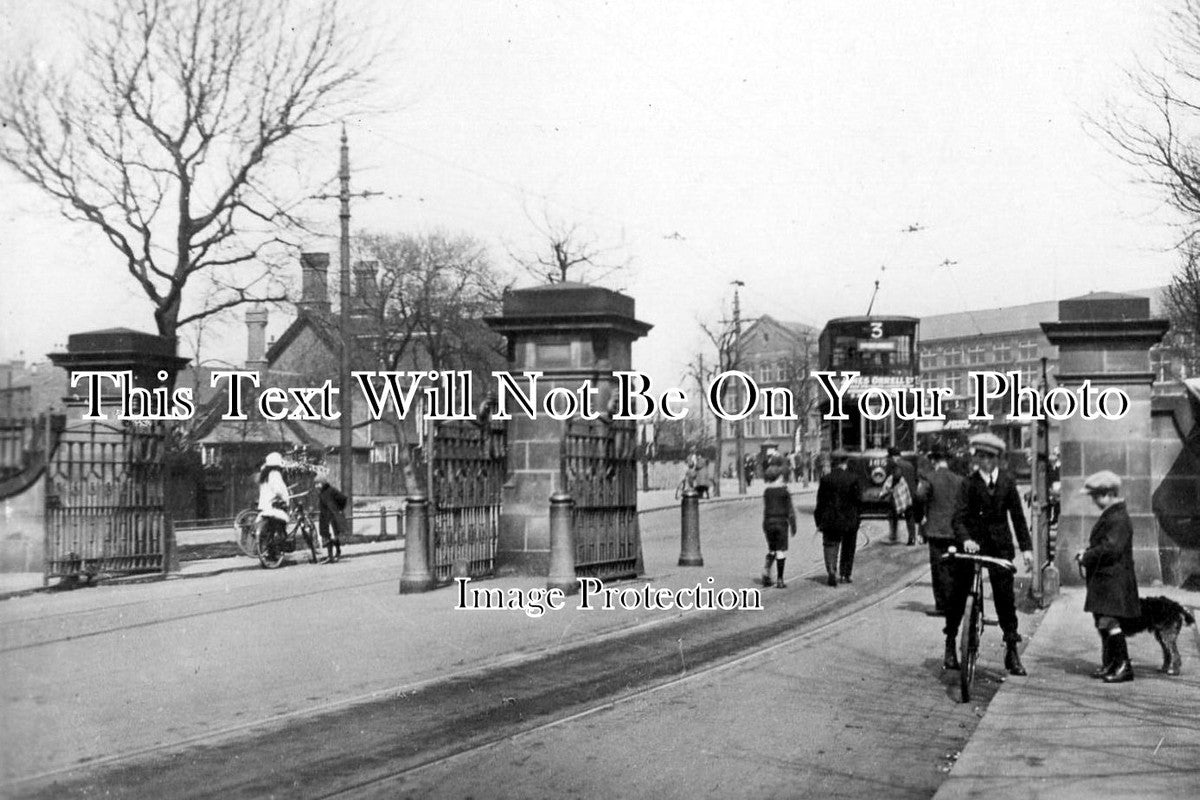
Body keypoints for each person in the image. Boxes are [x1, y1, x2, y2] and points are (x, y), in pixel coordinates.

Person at [941, 433, 1035, 675]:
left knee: (1005, 598)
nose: (985, 462)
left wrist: (1026, 549)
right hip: (973, 546)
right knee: (958, 594)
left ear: (998, 459)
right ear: (976, 459)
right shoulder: (968, 484)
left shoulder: (1007, 482)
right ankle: (951, 644)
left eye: (990, 457)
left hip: (1000, 548)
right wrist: (966, 540)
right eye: (981, 457)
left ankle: (1012, 650)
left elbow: (1017, 517)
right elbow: (958, 518)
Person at [1075, 470, 1140, 683]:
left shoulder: (1117, 517)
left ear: (1109, 493)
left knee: (1110, 622)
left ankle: (1123, 666)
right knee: (1104, 622)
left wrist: (1087, 556)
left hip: (1113, 581)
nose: (1094, 500)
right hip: (1107, 580)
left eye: (1096, 495)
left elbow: (1110, 549)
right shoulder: (1114, 515)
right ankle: (1112, 663)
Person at [922, 453, 967, 616]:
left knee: (938, 568)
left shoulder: (930, 478)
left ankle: (942, 605)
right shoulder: (959, 480)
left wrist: (922, 517)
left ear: (934, 461)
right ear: (947, 461)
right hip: (955, 531)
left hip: (935, 531)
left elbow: (919, 496)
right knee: (954, 567)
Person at [814, 451, 863, 586]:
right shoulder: (853, 478)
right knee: (848, 546)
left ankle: (831, 569)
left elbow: (820, 502)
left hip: (830, 519)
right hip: (849, 519)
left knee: (830, 544)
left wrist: (818, 521)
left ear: (832, 463)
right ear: (846, 462)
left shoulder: (825, 479)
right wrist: (858, 518)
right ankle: (845, 574)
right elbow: (859, 501)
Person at [760, 457, 797, 589]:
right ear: (779, 476)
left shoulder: (767, 492)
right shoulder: (784, 491)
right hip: (781, 523)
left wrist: (764, 525)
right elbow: (790, 510)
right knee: (781, 551)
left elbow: (766, 509)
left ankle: (767, 572)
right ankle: (780, 579)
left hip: (769, 522)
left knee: (772, 550)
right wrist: (793, 525)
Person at [257, 452, 291, 562]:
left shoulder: (264, 474)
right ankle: (276, 550)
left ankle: (269, 551)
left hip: (264, 506)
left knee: (271, 530)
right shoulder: (274, 474)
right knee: (281, 525)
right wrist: (283, 497)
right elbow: (277, 489)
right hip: (273, 505)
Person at [883, 446, 917, 545]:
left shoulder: (895, 465)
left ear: (893, 457)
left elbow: (895, 477)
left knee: (893, 514)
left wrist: (889, 488)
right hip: (910, 493)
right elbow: (916, 478)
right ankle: (912, 538)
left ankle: (893, 536)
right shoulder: (909, 464)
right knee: (910, 516)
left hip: (899, 494)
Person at [313, 476, 348, 563]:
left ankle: (331, 556)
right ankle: (337, 552)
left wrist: (338, 509)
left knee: (330, 536)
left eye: (318, 483)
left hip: (331, 517)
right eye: (315, 484)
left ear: (323, 483)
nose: (317, 486)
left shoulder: (331, 490)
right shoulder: (322, 492)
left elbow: (343, 498)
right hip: (325, 516)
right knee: (330, 535)